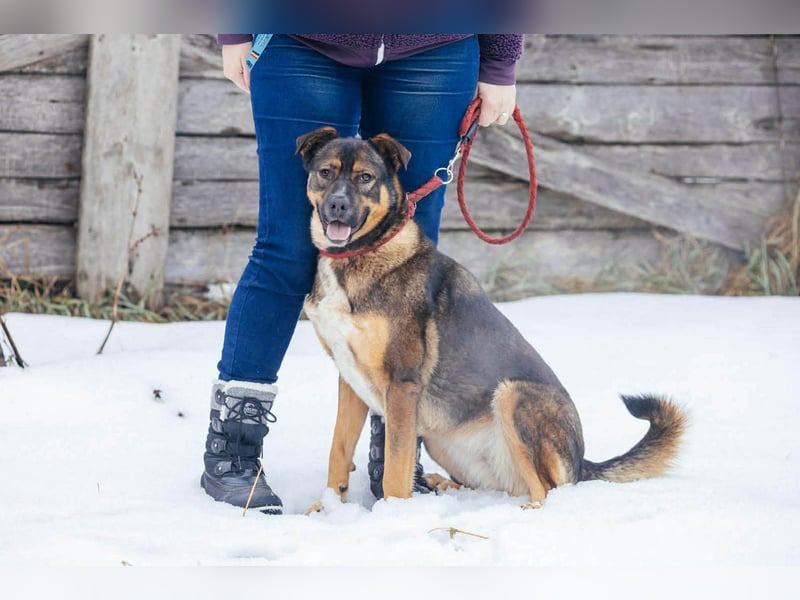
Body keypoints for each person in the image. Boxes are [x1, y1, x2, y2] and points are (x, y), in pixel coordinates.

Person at [202, 34, 524, 514]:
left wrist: (500, 57)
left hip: (437, 41)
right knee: (285, 250)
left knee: (410, 253)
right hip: (298, 34)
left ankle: (392, 455)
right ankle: (233, 449)